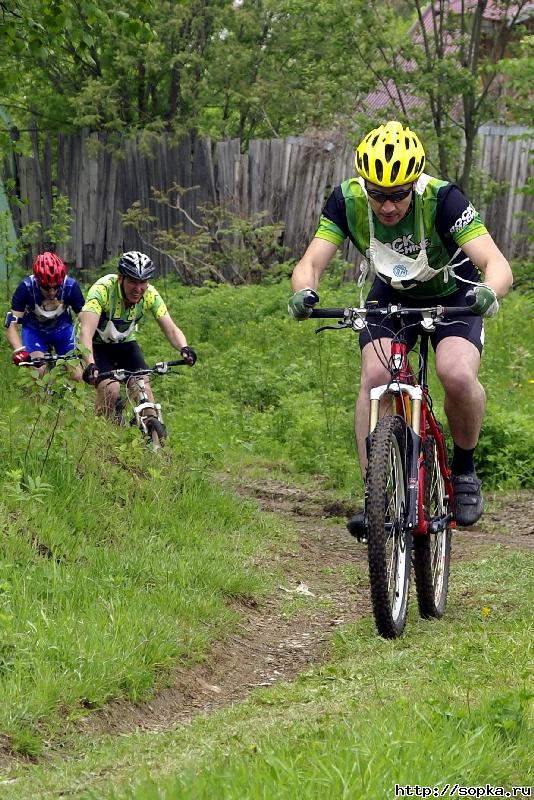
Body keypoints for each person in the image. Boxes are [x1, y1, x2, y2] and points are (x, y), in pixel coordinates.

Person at [288, 120, 513, 535]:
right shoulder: (347, 200)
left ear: (414, 183)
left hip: (454, 293)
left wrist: (489, 292)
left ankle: (463, 470)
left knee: (456, 374)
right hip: (392, 295)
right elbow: (311, 262)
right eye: (378, 196)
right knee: (375, 376)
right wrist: (305, 292)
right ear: (364, 185)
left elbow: (496, 263)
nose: (388, 207)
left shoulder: (443, 199)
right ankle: (374, 496)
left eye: (397, 196)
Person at [78, 250, 196, 420]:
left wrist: (184, 348)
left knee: (143, 388)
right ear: (121, 278)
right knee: (111, 389)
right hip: (97, 345)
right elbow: (86, 332)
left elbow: (170, 328)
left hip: (125, 344)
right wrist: (90, 364)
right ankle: (98, 436)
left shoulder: (150, 295)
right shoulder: (102, 290)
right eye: (133, 282)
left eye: (143, 282)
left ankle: (154, 437)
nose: (138, 289)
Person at [5, 252, 85, 380]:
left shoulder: (70, 286)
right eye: (46, 287)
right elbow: (11, 323)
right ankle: (35, 400)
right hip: (35, 331)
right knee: (38, 371)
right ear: (37, 281)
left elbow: (85, 320)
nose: (52, 292)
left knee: (77, 375)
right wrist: (19, 350)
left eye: (56, 287)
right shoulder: (26, 287)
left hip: (62, 330)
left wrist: (88, 342)